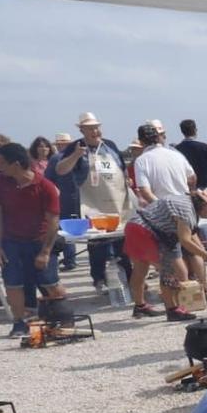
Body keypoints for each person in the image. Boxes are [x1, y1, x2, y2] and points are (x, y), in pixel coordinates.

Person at [0, 141, 70, 335]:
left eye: (1, 162)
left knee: (50, 282)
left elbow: (53, 222)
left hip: (39, 240)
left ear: (15, 164)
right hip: (12, 241)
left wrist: (46, 252)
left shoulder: (45, 186)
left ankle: (64, 316)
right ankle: (18, 322)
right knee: (13, 283)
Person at [53, 113, 134, 292]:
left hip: (115, 202)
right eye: (89, 128)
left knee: (122, 244)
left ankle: (129, 278)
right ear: (81, 130)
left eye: (96, 127)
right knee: (97, 245)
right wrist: (75, 156)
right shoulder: (76, 147)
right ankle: (99, 279)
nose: (94, 131)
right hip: (93, 204)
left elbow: (121, 167)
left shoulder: (110, 145)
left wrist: (127, 180)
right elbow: (60, 170)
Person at [134, 185, 207, 320]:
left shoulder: (187, 204)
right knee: (172, 270)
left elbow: (191, 237)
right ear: (204, 205)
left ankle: (140, 306)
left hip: (139, 226)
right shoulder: (187, 211)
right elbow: (185, 240)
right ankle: (172, 310)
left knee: (141, 271)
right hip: (148, 231)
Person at [132, 122, 195, 207]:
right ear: (158, 137)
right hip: (185, 205)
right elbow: (192, 178)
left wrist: (162, 207)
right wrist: (189, 193)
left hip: (163, 209)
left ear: (141, 142)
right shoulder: (176, 154)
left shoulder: (141, 161)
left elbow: (145, 191)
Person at [174, 118, 207, 192]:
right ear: (195, 130)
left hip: (188, 188)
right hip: (206, 187)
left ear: (182, 132)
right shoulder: (204, 147)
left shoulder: (177, 149)